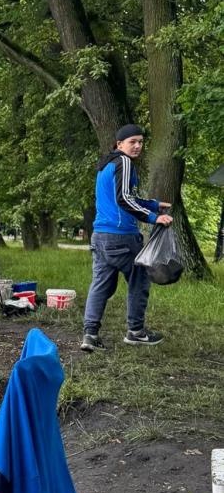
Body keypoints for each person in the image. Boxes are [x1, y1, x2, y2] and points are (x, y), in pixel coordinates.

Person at [81, 124, 173, 352]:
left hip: (100, 235)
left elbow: (124, 197)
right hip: (121, 236)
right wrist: (154, 217)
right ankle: (136, 331)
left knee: (101, 284)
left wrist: (153, 204)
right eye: (133, 141)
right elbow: (123, 199)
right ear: (119, 143)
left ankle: (90, 335)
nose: (138, 146)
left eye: (141, 142)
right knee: (140, 278)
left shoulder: (106, 165)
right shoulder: (124, 162)